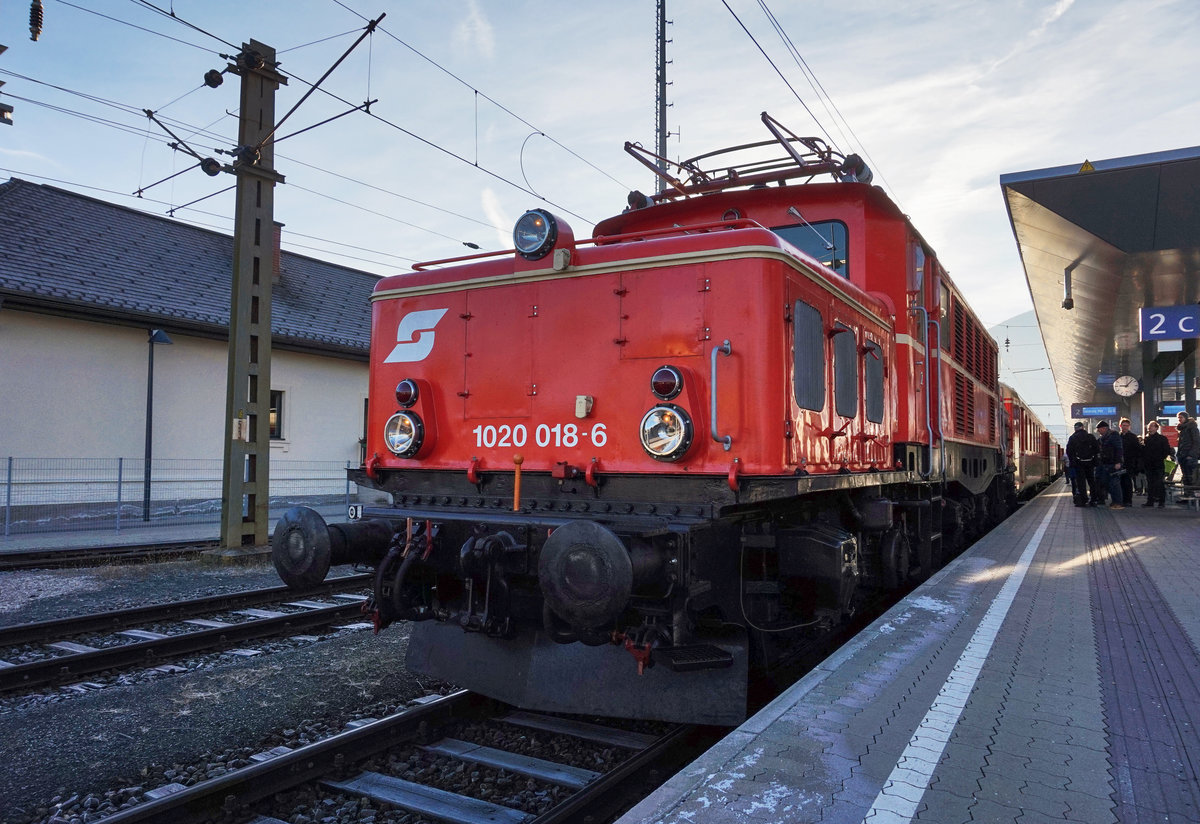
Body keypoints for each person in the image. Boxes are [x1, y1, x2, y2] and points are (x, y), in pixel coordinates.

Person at [1065, 421, 1099, 506]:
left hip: (1078, 464)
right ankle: (1094, 499)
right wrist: (1094, 460)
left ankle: (1083, 500)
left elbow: (1069, 451)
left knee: (1081, 482)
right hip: (1090, 463)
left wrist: (1073, 462)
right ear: (1083, 427)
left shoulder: (1072, 438)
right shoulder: (1090, 437)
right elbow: (1097, 449)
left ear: (1075, 429)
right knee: (1092, 481)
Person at [1142, 420, 1174, 508]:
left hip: (1158, 464)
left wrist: (1160, 457)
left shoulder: (1162, 438)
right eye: (1149, 426)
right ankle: (1150, 501)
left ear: (1156, 428)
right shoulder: (1146, 439)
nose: (1149, 427)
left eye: (1152, 426)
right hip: (1149, 464)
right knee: (1150, 483)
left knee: (1159, 482)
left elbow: (1166, 450)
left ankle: (1161, 501)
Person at [1094, 420, 1124, 509]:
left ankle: (1118, 503)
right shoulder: (1102, 438)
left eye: (1099, 429)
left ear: (1104, 428)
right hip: (1105, 463)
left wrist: (1118, 462)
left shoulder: (1114, 436)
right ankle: (1114, 502)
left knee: (1114, 484)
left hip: (1113, 463)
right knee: (1108, 484)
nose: (1098, 431)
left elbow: (1119, 449)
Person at [1118, 418, 1142, 507]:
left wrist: (1135, 463)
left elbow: (1137, 450)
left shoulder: (1132, 437)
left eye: (1127, 426)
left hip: (1129, 462)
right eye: (1123, 425)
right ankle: (1121, 499)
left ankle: (1128, 500)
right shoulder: (1117, 436)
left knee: (1127, 482)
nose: (1125, 427)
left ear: (1129, 427)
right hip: (1119, 463)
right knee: (1120, 482)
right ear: (1120, 426)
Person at [1177, 411, 1198, 486]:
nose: (1179, 419)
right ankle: (1188, 493)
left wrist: (1191, 454)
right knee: (1186, 476)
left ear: (1186, 418)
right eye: (1178, 418)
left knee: (1190, 477)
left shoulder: (1191, 428)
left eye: (1181, 417)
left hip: (1188, 455)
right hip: (1183, 455)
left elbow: (1196, 442)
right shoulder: (1183, 429)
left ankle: (1190, 494)